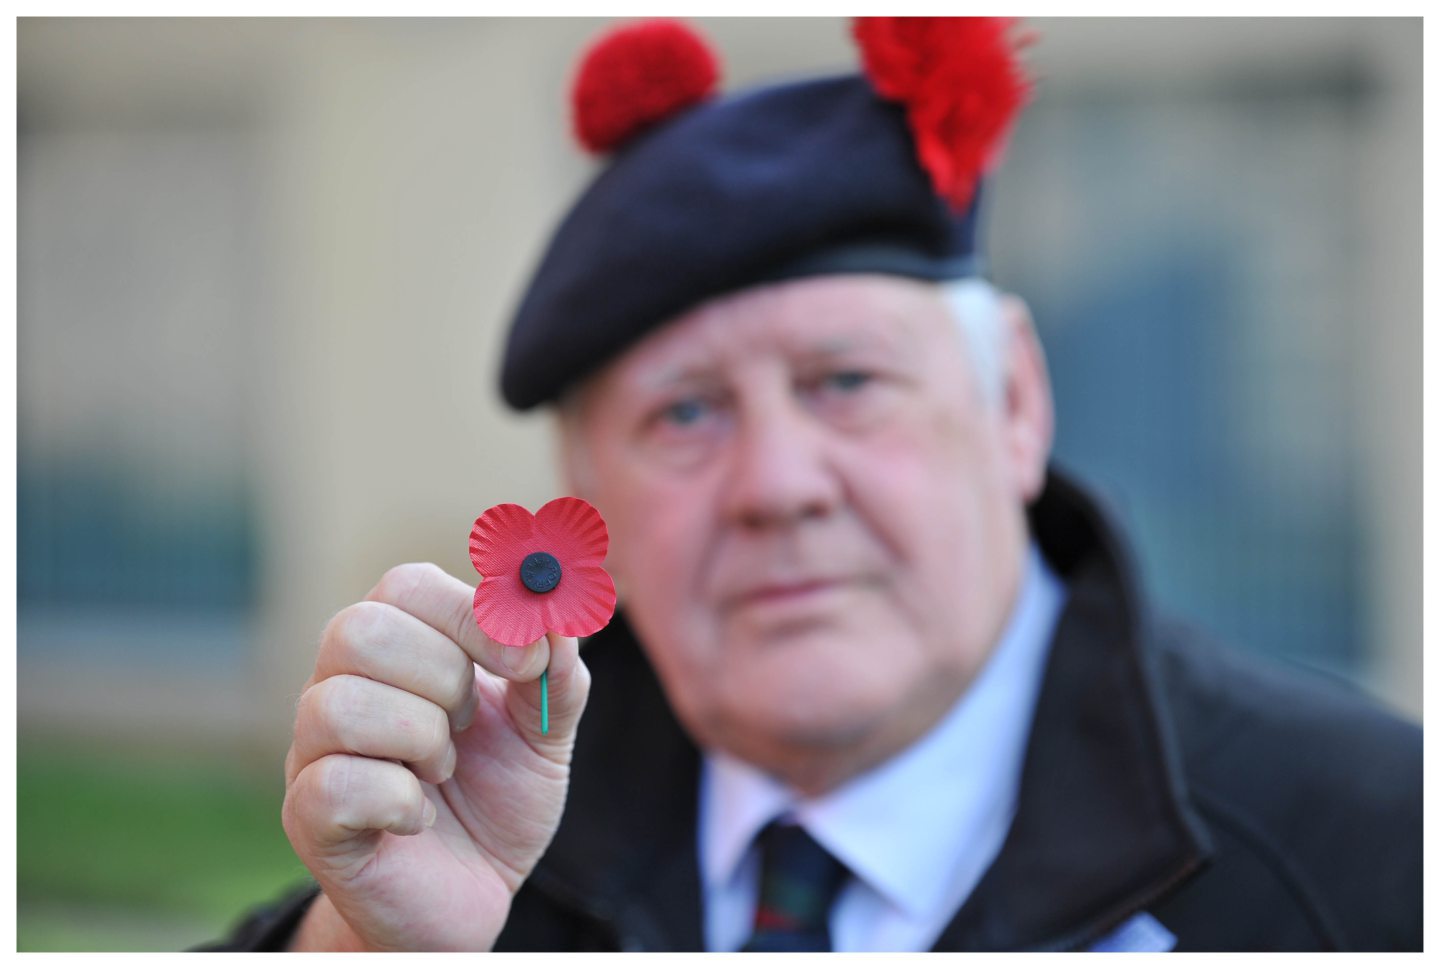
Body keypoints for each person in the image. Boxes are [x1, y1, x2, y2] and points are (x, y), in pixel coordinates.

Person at [207, 18, 1421, 952]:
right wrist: (370, 949)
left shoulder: (1377, 847)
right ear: (585, 488)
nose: (777, 486)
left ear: (1015, 407)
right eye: (684, 412)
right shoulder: (493, 811)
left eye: (846, 382)